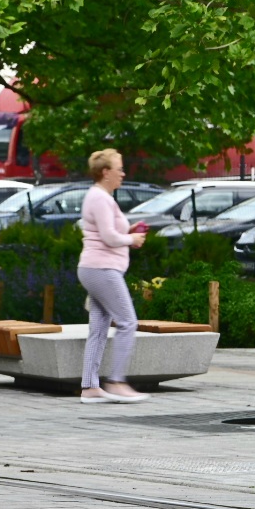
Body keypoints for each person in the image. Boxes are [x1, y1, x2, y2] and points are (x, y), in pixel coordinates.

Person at [77, 148, 149, 404]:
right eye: (119, 168)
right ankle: (117, 382)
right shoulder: (101, 198)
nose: (123, 173)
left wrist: (127, 231)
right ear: (105, 172)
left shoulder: (99, 196)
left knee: (98, 329)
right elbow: (108, 237)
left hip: (94, 268)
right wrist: (131, 238)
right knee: (128, 322)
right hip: (102, 269)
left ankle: (89, 387)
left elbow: (105, 231)